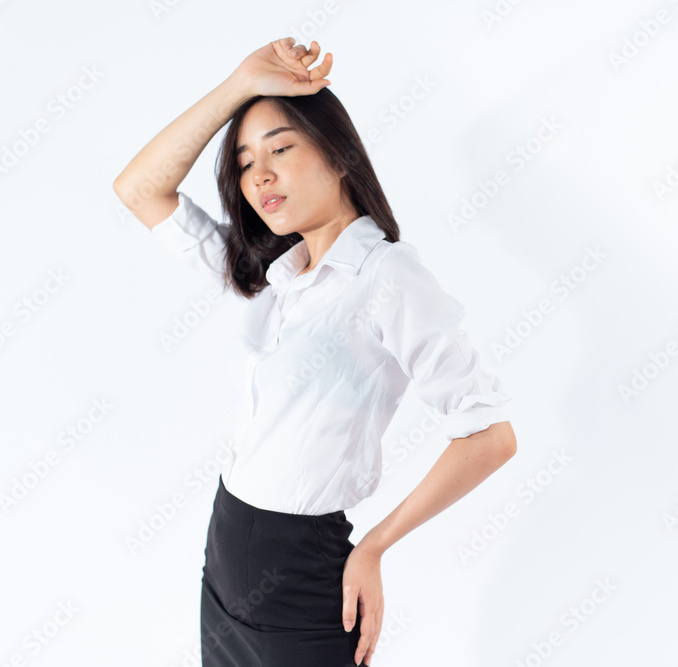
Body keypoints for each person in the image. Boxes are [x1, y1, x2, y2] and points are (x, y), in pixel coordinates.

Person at [113, 37, 518, 667]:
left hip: (301, 583)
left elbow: (489, 435)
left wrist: (375, 546)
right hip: (223, 563)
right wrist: (239, 84)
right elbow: (140, 189)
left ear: (338, 153)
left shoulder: (388, 278)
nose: (260, 176)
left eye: (280, 149)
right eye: (246, 162)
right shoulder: (274, 275)